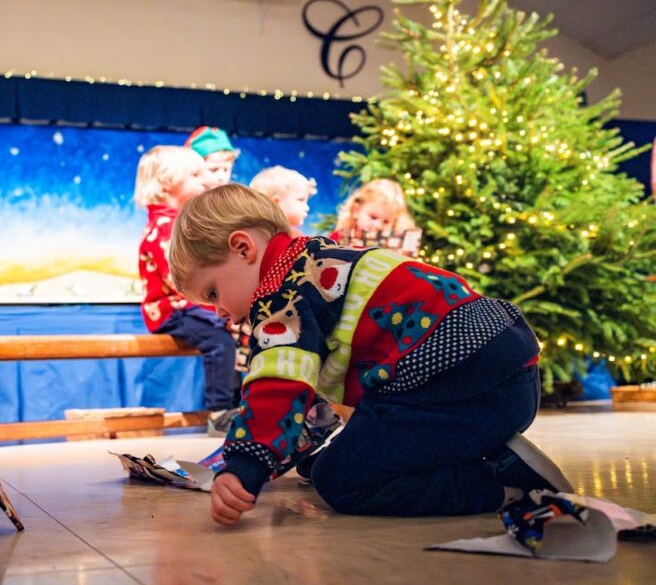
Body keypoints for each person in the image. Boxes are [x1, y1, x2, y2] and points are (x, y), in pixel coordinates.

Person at [168, 184, 572, 526]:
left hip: (458, 380)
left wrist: (246, 465)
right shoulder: (323, 260)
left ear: (242, 248)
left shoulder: (280, 295)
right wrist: (288, 454)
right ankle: (490, 446)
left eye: (213, 293)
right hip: (509, 376)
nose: (219, 313)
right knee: (338, 456)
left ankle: (502, 481)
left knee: (342, 479)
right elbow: (311, 402)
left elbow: (279, 385)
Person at [134, 146, 238, 435]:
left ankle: (242, 406)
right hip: (173, 310)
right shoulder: (165, 227)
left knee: (231, 332)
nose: (204, 181)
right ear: (168, 182)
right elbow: (178, 278)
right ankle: (219, 412)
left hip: (188, 306)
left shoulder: (178, 223)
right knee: (219, 341)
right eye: (195, 175)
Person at [332, 178, 416, 241]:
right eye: (373, 217)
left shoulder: (389, 248)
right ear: (356, 210)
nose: (379, 226)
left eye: (386, 222)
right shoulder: (338, 238)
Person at [249, 166, 317, 236]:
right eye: (301, 200)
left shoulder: (253, 234)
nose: (307, 208)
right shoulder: (294, 239)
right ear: (275, 203)